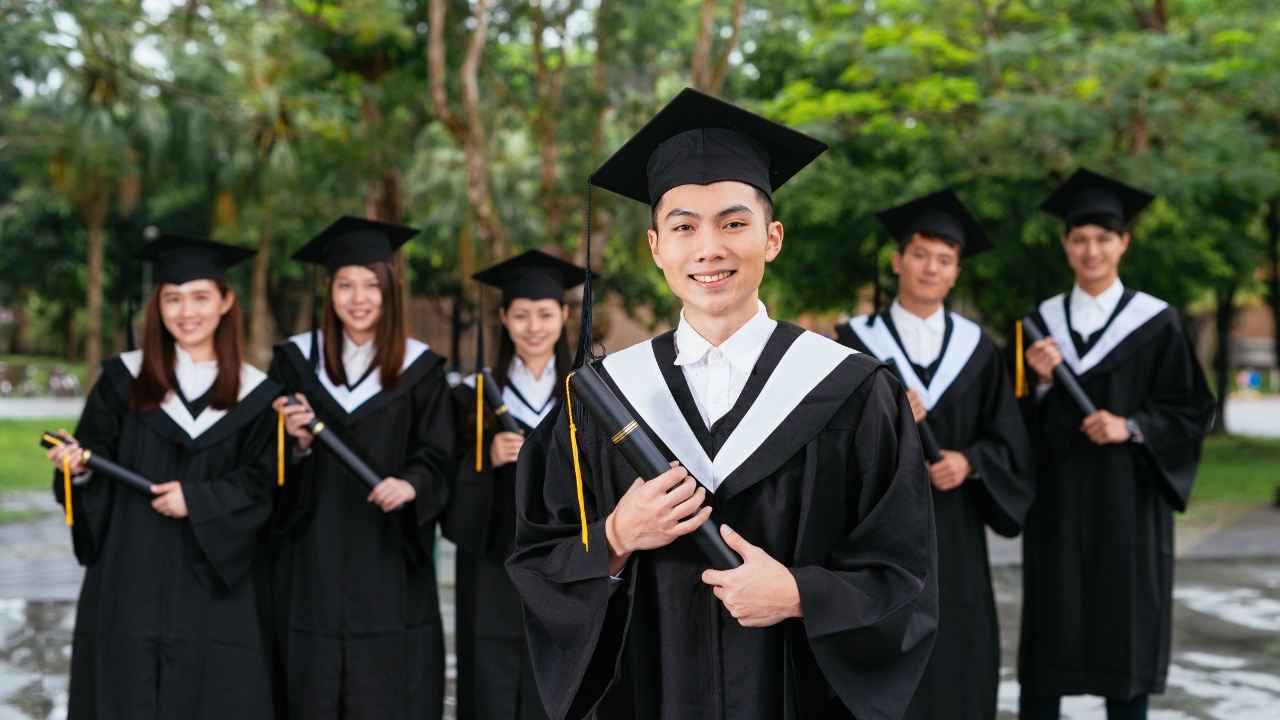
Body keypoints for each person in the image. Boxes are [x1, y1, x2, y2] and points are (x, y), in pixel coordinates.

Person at [507, 88, 938, 720]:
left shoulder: (854, 390)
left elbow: (904, 574)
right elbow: (537, 561)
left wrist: (800, 594)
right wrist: (617, 537)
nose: (709, 248)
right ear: (656, 247)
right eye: (684, 227)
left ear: (773, 238)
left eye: (734, 223)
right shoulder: (600, 401)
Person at [47, 234, 279, 719]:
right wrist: (79, 471)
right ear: (158, 306)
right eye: (172, 298)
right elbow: (92, 461)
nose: (186, 312)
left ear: (226, 302)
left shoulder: (257, 397)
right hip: (128, 579)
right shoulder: (120, 382)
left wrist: (197, 499)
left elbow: (264, 487)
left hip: (216, 593)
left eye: (200, 297)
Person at [1016, 170, 1214, 720]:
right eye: (1080, 239)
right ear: (1065, 244)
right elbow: (1013, 421)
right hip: (1058, 508)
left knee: (1124, 636)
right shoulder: (1037, 326)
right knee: (1050, 639)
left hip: (1129, 504)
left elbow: (1192, 408)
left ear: (1123, 242)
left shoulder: (1158, 322)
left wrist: (1132, 425)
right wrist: (1043, 384)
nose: (1091, 250)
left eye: (1103, 238)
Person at [835, 189, 1035, 720]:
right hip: (879, 522)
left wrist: (971, 462)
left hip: (955, 531)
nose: (931, 268)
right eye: (920, 254)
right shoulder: (852, 343)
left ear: (956, 273)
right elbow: (831, 440)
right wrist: (884, 412)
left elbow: (1009, 436)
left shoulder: (980, 349)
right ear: (898, 260)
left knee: (957, 646)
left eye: (944, 260)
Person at [270, 216, 455, 720]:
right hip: (311, 559)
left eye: (371, 285)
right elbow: (260, 461)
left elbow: (440, 456)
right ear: (328, 291)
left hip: (387, 561)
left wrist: (412, 484)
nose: (359, 298)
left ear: (390, 291)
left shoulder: (421, 370)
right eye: (345, 285)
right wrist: (296, 444)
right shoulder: (293, 363)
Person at [444, 250, 585, 720]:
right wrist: (484, 460)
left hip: (564, 557)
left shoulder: (588, 394)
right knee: (492, 674)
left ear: (563, 315)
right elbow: (447, 482)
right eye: (521, 315)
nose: (533, 327)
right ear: (503, 318)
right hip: (493, 564)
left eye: (544, 314)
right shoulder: (473, 397)